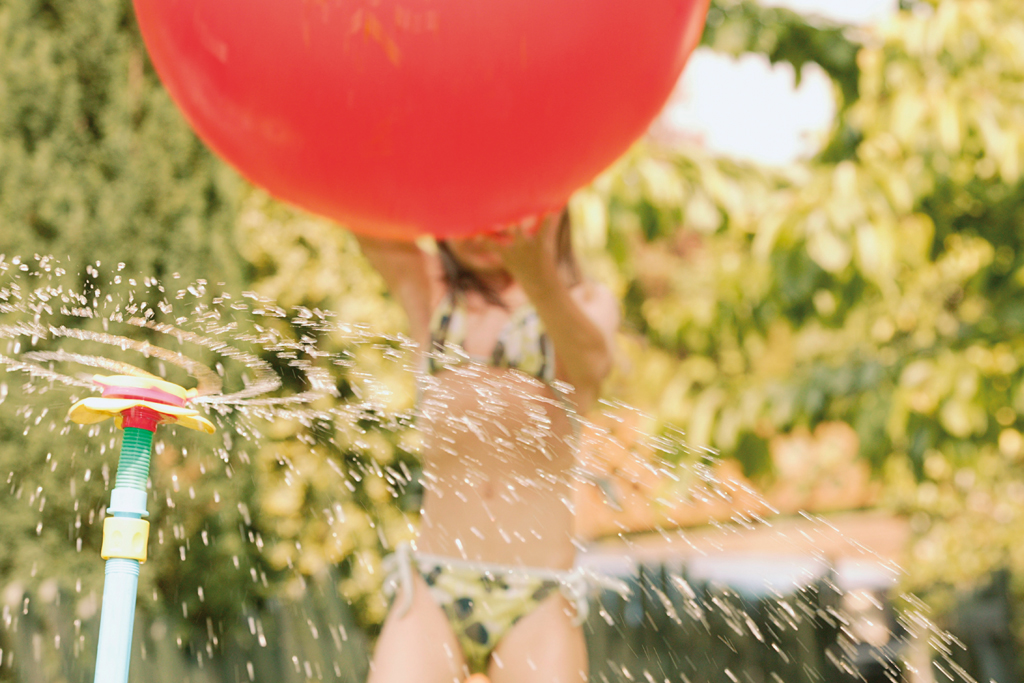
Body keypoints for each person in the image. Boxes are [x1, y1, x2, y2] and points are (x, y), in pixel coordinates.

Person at [358, 209, 620, 683]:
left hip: (536, 593)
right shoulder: (435, 294)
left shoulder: (584, 303)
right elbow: (360, 212)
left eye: (498, 214)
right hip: (435, 584)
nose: (480, 230)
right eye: (466, 211)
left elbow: (590, 368)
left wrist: (533, 268)